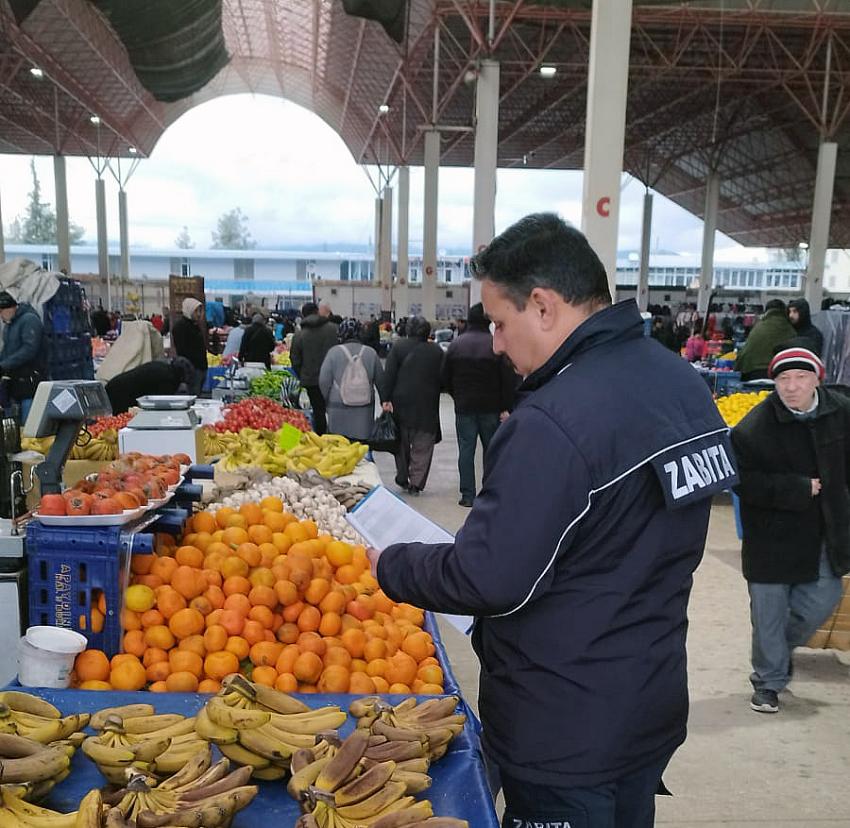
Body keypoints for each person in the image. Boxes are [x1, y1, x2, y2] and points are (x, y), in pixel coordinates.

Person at [369, 214, 735, 828]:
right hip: (646, 699)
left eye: (500, 322)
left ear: (543, 306)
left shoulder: (556, 422)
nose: (496, 344)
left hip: (563, 723)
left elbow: (488, 577)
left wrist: (391, 562)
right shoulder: (680, 384)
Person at [731, 342, 850, 714]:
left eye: (801, 377)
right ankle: (767, 683)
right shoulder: (754, 429)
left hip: (824, 528)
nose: (792, 386)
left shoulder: (841, 413)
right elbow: (741, 481)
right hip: (771, 533)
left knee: (823, 597)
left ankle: (775, 655)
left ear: (818, 379)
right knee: (768, 611)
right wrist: (798, 488)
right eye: (783, 378)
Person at [441, 302, 515, 506]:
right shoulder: (494, 345)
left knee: (466, 450)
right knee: (491, 451)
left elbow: (444, 378)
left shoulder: (456, 345)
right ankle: (490, 494)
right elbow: (507, 378)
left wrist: (457, 395)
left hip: (464, 406)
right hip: (490, 408)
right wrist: (505, 405)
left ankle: (467, 495)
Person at [381, 316, 444, 495]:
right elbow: (443, 378)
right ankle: (416, 482)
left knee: (401, 441)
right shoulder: (437, 351)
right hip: (427, 404)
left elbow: (389, 375)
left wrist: (385, 399)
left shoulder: (398, 347)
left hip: (401, 404)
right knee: (423, 445)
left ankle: (402, 475)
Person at [318, 318, 384, 441]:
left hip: (338, 407)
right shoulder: (371, 353)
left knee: (338, 446)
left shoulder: (333, 353)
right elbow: (381, 381)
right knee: (361, 448)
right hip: (364, 409)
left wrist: (324, 401)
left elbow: (323, 381)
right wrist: (384, 401)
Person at [290, 301, 338, 435]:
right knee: (336, 409)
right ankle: (339, 439)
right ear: (317, 312)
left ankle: (321, 438)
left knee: (318, 411)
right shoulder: (333, 330)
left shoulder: (299, 335)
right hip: (333, 379)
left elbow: (295, 359)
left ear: (303, 315)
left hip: (311, 380)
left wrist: (303, 374)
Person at [0, 291, 45, 422]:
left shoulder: (29, 320)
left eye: (1, 311)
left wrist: (4, 365)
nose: (1, 316)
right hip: (16, 381)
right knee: (15, 423)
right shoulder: (10, 325)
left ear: (9, 308)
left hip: (30, 380)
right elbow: (7, 349)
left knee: (28, 424)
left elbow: (30, 349)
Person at [105, 357, 195, 414]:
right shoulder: (168, 379)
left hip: (116, 386)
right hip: (120, 393)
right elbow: (161, 405)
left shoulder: (163, 367)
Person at [735, 299, 796, 381]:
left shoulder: (758, 327)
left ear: (766, 311)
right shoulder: (789, 329)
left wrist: (737, 368)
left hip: (753, 373)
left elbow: (745, 353)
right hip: (779, 374)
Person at [170, 297, 207, 396]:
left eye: (200, 311)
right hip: (192, 370)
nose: (199, 314)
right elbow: (183, 350)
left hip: (200, 367)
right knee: (192, 396)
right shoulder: (180, 327)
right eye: (196, 311)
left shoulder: (194, 325)